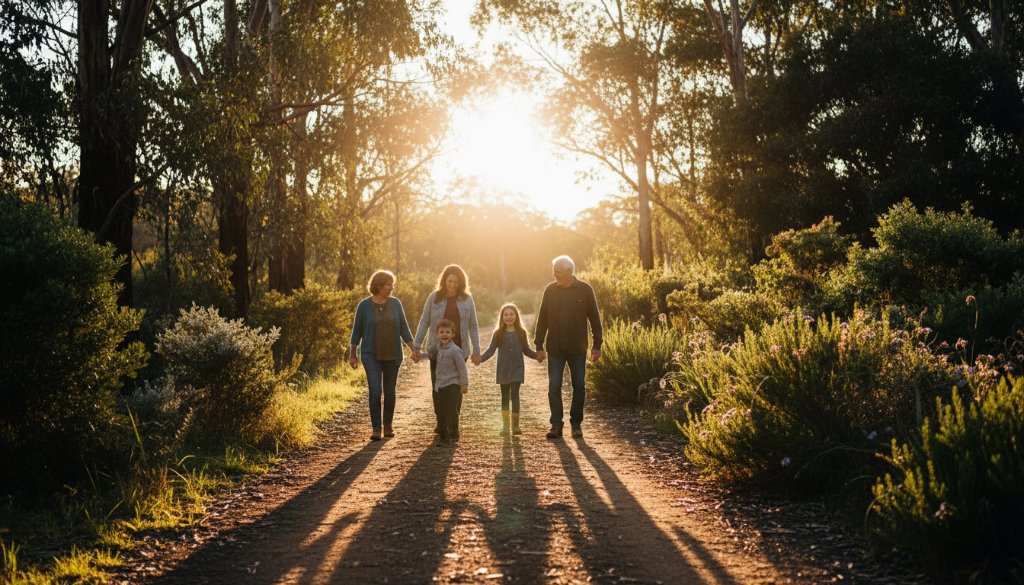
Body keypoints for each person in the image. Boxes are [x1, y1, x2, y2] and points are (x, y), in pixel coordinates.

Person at [534, 255, 602, 439]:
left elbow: (595, 320)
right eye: (554, 270)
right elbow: (542, 319)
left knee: (579, 386)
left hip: (577, 348)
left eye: (558, 271)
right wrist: (538, 344)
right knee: (553, 387)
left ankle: (576, 424)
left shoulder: (585, 290)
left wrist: (597, 345)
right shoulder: (550, 290)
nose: (554, 274)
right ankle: (556, 425)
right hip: (555, 348)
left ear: (569, 271)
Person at [412, 264, 481, 439]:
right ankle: (441, 421)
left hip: (459, 350)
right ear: (444, 280)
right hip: (437, 350)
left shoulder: (467, 300)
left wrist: (477, 350)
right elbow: (424, 321)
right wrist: (416, 346)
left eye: (456, 282)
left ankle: (453, 422)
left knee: (455, 387)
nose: (452, 284)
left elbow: (473, 326)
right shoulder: (434, 298)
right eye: (449, 281)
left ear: (461, 283)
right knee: (439, 386)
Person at [349, 269, 414, 441]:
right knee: (375, 391)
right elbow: (356, 332)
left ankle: (388, 425)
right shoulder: (364, 306)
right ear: (378, 285)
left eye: (392, 284)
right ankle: (376, 429)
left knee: (390, 392)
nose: (391, 287)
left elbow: (404, 329)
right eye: (388, 284)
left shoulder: (395, 304)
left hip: (393, 355)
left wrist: (413, 349)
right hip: (371, 356)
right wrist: (352, 354)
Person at [479, 303, 540, 436]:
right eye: (506, 315)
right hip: (503, 369)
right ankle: (505, 427)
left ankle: (516, 426)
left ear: (516, 316)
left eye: (511, 314)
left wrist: (537, 356)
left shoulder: (521, 333)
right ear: (502, 317)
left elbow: (526, 350)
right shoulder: (498, 334)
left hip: (517, 368)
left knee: (515, 395)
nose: (509, 317)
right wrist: (480, 359)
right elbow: (491, 350)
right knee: (505, 397)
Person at [431, 319, 469, 445]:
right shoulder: (438, 348)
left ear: (453, 334)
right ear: (437, 334)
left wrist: (464, 384)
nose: (444, 334)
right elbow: (431, 358)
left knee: (452, 409)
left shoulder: (455, 350)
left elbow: (462, 368)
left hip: (453, 384)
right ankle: (443, 436)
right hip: (440, 385)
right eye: (441, 332)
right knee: (440, 410)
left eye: (448, 332)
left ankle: (454, 432)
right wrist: (419, 355)